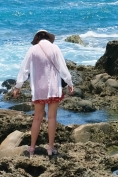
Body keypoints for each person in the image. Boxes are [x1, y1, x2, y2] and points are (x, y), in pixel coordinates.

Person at [13, 30, 75, 158]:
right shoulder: (55, 48)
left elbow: (24, 70)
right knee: (52, 118)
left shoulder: (32, 50)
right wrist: (70, 83)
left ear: (37, 39)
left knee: (37, 118)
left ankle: (31, 149)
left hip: (38, 89)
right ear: (48, 38)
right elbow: (63, 68)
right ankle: (50, 148)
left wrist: (17, 86)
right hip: (53, 88)